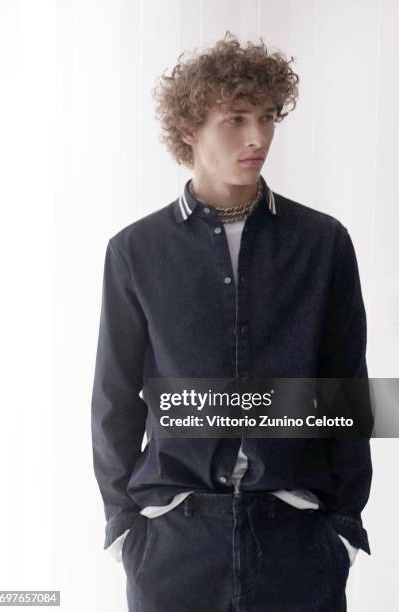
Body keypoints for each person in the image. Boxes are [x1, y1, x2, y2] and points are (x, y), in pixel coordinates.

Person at [91, 32, 372, 611]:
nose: (258, 137)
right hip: (174, 542)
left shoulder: (323, 244)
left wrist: (343, 525)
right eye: (236, 118)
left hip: (296, 537)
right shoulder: (135, 252)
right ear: (190, 128)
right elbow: (114, 399)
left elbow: (348, 390)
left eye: (268, 117)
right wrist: (123, 525)